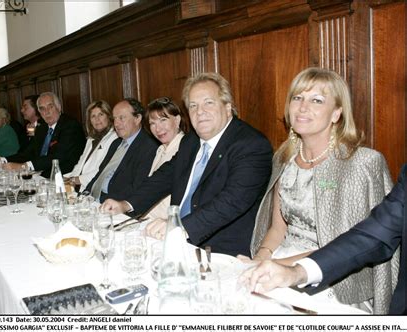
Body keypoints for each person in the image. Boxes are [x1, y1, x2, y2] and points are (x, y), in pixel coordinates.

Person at [244, 67, 397, 314]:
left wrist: (280, 266)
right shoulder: (284, 158)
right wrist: (261, 257)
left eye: (316, 100)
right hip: (281, 260)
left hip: (336, 277)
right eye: (297, 98)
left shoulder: (361, 163)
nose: (303, 107)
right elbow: (278, 227)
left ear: (337, 114)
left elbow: (352, 244)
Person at [101, 72, 273, 257]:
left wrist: (179, 227)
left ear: (228, 107)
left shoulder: (251, 144)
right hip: (172, 241)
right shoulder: (191, 141)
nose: (200, 112)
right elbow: (164, 177)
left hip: (218, 250)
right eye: (193, 106)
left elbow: (233, 200)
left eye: (208, 103)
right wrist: (126, 204)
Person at [241, 164, 406, 315]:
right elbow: (371, 236)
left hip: (339, 280)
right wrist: (297, 272)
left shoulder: (363, 162)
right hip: (309, 260)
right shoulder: (285, 162)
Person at [82, 98, 159, 202]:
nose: (116, 124)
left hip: (116, 204)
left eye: (121, 118)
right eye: (114, 119)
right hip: (94, 200)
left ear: (137, 118)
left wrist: (101, 200)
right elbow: (100, 174)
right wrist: (83, 196)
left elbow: (135, 188)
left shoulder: (149, 147)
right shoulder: (116, 143)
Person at [4, 92, 86, 178]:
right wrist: (4, 160)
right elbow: (29, 152)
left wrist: (25, 166)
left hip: (63, 177)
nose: (47, 112)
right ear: (39, 112)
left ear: (59, 107)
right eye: (42, 109)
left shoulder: (70, 125)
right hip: (41, 174)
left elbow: (57, 156)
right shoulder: (42, 128)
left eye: (50, 107)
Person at [143, 97, 190, 221]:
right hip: (147, 218)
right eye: (153, 123)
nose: (158, 129)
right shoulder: (160, 150)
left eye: (163, 120)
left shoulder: (185, 149)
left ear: (177, 120)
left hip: (164, 222)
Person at [64, 100, 118, 192]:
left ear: (109, 116)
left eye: (101, 114)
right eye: (93, 116)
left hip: (94, 188)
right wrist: (67, 178)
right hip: (77, 186)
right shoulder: (91, 139)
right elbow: (80, 165)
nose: (97, 119)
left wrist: (75, 180)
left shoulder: (115, 137)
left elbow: (103, 170)